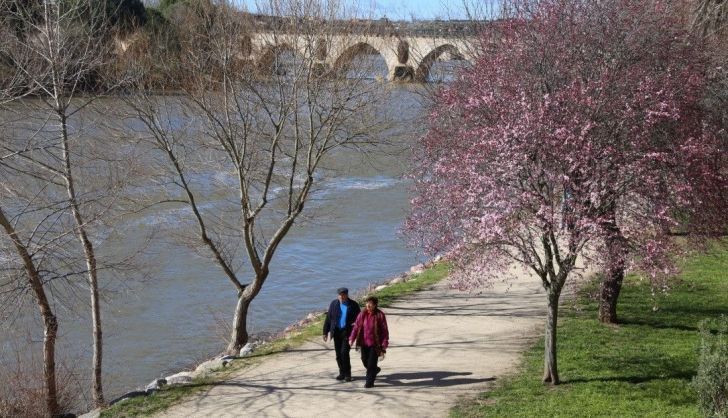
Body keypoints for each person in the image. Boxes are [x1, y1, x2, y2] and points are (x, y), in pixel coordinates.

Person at [349, 295, 389, 388]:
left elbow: (384, 331)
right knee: (364, 360)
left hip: (375, 344)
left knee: (371, 364)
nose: (368, 305)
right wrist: (352, 338)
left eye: (370, 304)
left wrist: (384, 343)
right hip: (363, 343)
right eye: (367, 303)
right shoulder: (362, 314)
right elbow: (356, 328)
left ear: (375, 305)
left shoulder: (380, 315)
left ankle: (369, 382)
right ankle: (375, 369)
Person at [323, 287, 361, 382]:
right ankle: (342, 373)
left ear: (347, 295)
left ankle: (348, 374)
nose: (342, 297)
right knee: (338, 355)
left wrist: (356, 326)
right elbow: (328, 318)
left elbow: (359, 319)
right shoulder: (334, 304)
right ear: (338, 295)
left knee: (344, 353)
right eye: (340, 295)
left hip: (347, 333)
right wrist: (325, 332)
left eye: (343, 295)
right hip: (336, 332)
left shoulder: (353, 305)